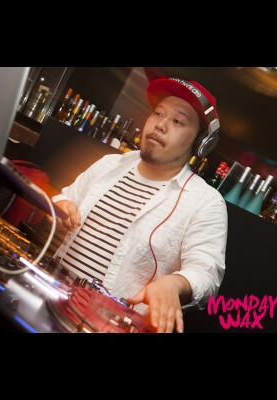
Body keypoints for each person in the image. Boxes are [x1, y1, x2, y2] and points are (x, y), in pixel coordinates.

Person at [51, 77, 228, 333]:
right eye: (158, 113)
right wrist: (61, 207)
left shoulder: (206, 202)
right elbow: (64, 197)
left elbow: (206, 273)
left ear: (201, 143)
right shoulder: (109, 164)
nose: (160, 125)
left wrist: (175, 284)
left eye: (177, 121)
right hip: (52, 294)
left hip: (106, 326)